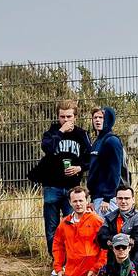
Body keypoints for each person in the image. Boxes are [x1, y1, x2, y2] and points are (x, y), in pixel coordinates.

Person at [34, 100, 92, 251]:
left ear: (75, 117)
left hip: (72, 189)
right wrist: (61, 132)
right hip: (52, 187)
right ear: (58, 116)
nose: (66, 120)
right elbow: (47, 148)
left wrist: (79, 167)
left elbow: (91, 158)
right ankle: (56, 261)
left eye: (69, 116)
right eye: (62, 117)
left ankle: (70, 261)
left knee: (72, 226)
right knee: (52, 227)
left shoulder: (82, 134)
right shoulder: (51, 132)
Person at [95, 185, 138, 268]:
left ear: (133, 200)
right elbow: (101, 239)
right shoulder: (109, 218)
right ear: (116, 200)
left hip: (135, 266)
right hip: (113, 266)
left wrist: (112, 240)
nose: (123, 201)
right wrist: (127, 240)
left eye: (127, 198)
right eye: (120, 198)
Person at [86, 106, 125, 218]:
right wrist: (93, 198)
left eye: (101, 117)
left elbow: (115, 171)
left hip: (108, 199)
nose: (97, 120)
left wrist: (108, 197)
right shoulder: (97, 142)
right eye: (95, 117)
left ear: (108, 119)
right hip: (97, 197)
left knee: (108, 233)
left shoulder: (112, 141)